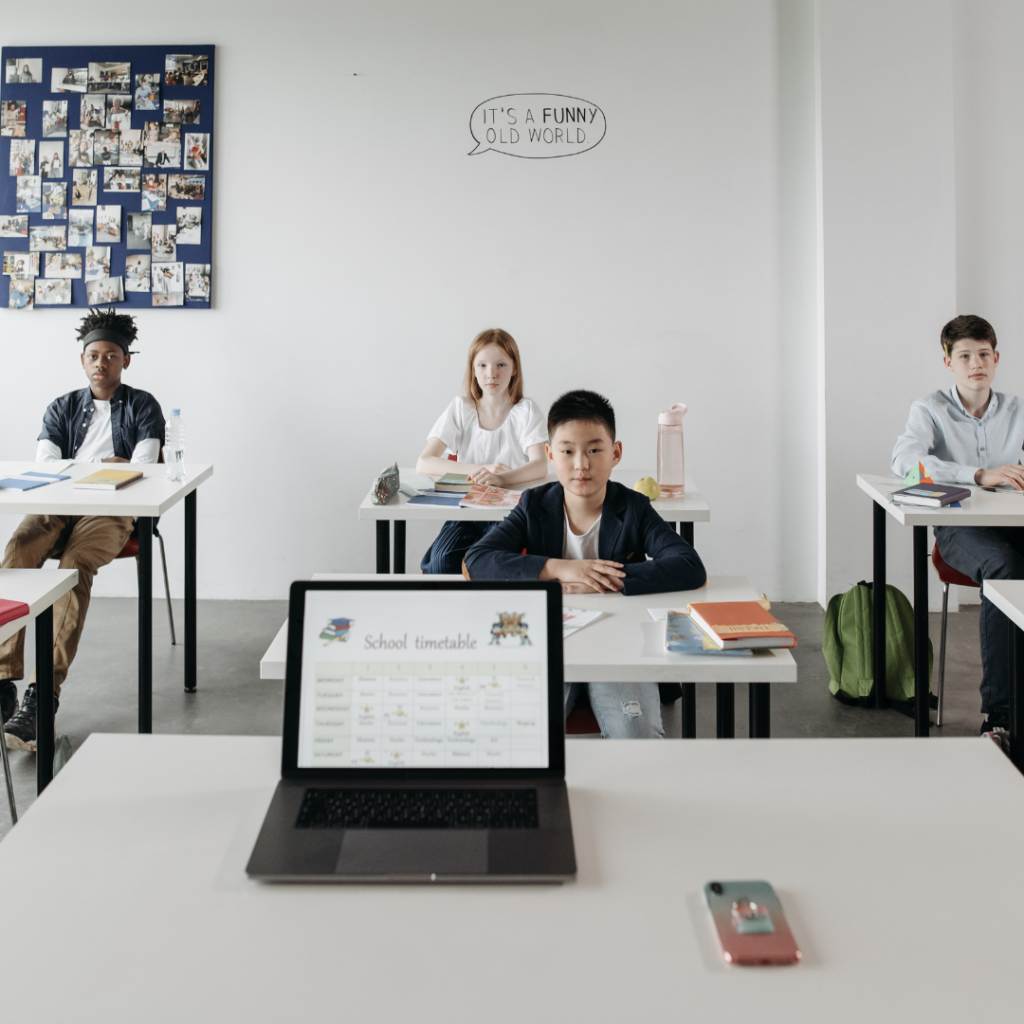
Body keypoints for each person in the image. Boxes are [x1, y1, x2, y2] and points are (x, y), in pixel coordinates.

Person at [464, 389, 706, 738]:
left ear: (615, 453)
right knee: (520, 736)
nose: (581, 464)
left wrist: (606, 578)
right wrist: (561, 569)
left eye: (595, 450)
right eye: (567, 451)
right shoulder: (534, 504)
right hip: (548, 643)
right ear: (549, 454)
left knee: (636, 737)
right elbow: (478, 560)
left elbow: (689, 565)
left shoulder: (634, 508)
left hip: (620, 646)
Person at [0, 308, 165, 750]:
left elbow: (145, 466)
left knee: (72, 569)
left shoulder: (143, 405)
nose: (101, 363)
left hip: (113, 509)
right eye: (93, 355)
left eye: (111, 355)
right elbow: (45, 465)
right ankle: (2, 681)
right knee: (18, 549)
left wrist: (102, 468)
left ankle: (42, 697)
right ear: (82, 359)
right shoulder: (62, 406)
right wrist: (104, 464)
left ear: (125, 361)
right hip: (58, 502)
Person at [892, 314, 1024, 732]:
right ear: (949, 361)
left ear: (997, 357)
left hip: (1015, 522)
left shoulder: (1018, 409)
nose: (975, 363)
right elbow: (904, 463)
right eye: (964, 355)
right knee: (1005, 568)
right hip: (960, 530)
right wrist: (977, 475)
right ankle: (1000, 717)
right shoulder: (930, 408)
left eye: (983, 353)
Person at [416, 328, 549, 573]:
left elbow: (540, 465)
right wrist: (481, 469)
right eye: (483, 366)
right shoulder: (461, 408)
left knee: (483, 562)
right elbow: (425, 462)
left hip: (510, 514)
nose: (492, 374)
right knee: (440, 563)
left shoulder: (526, 411)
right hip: (467, 510)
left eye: (501, 364)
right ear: (473, 370)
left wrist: (500, 479)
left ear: (514, 368)